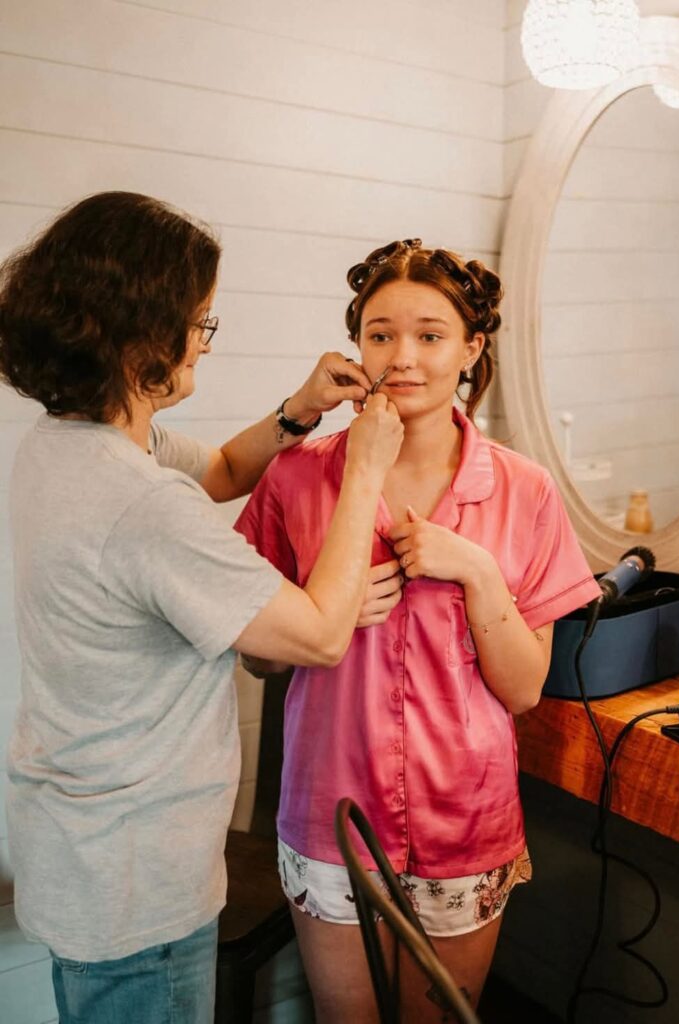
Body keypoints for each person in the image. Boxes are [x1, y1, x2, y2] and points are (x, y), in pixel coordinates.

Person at [0, 191, 403, 1024]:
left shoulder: (65, 444)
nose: (203, 344)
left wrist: (299, 412)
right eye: (201, 323)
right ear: (142, 334)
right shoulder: (141, 507)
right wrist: (364, 471)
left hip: (83, 852)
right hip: (136, 888)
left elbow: (219, 468)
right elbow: (322, 634)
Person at [235, 238, 602, 1021]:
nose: (403, 357)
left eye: (431, 335)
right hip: (330, 812)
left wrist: (476, 572)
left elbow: (525, 689)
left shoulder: (523, 491)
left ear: (471, 347)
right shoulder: (298, 476)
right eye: (380, 334)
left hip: (465, 818)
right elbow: (257, 659)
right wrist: (312, 613)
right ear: (356, 343)